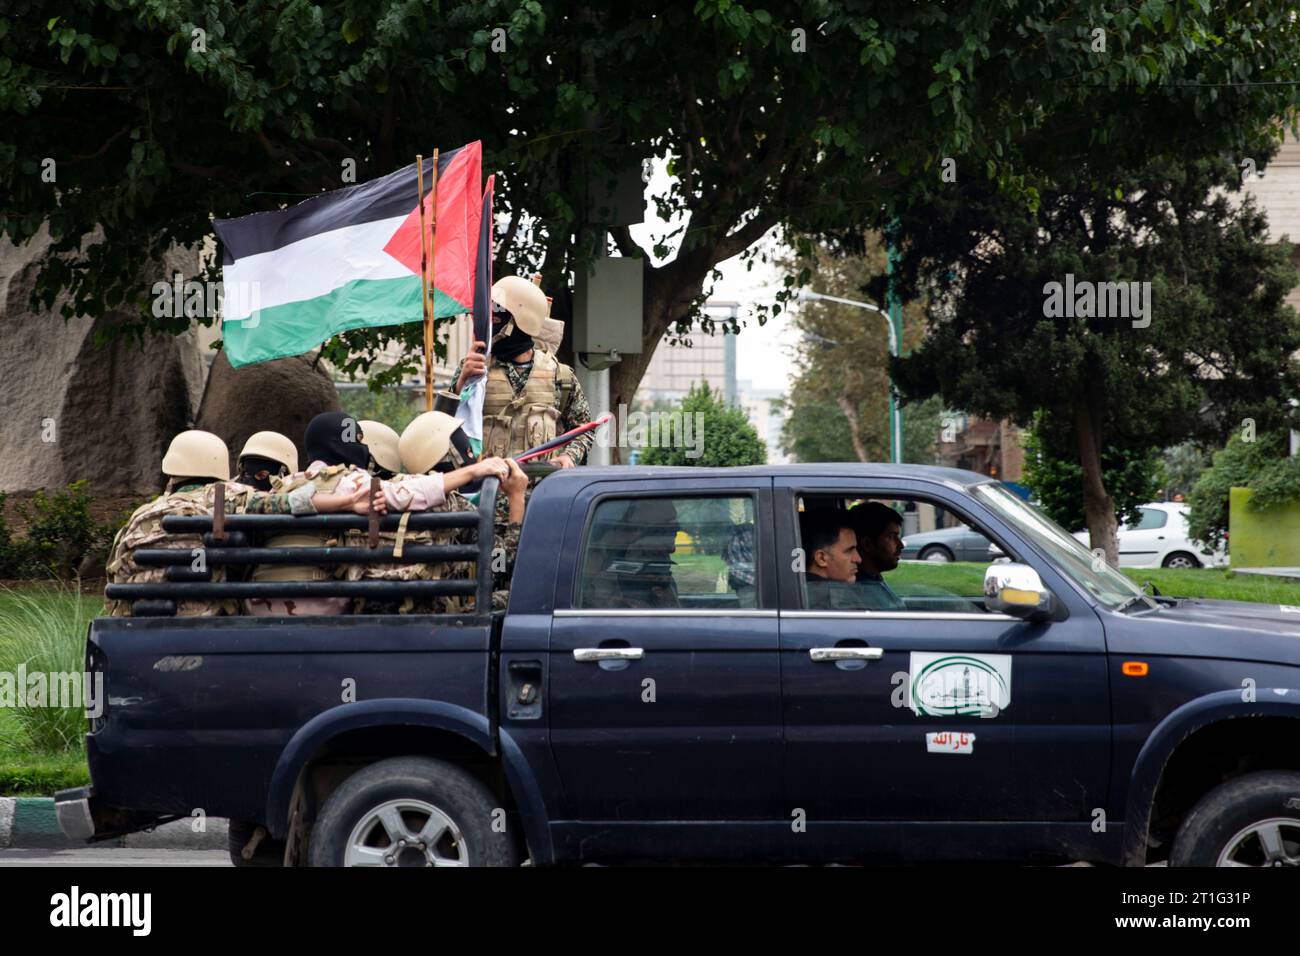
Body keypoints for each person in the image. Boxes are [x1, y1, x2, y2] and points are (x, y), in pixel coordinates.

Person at [245, 411, 511, 616]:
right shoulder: (354, 483)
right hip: (322, 606)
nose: (363, 448)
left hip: (258, 605)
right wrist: (474, 471)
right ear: (339, 444)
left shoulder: (285, 486)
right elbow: (411, 492)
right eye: (357, 440)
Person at [450, 274, 593, 467]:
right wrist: (460, 385)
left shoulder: (561, 376)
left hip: (543, 493)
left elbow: (583, 429)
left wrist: (569, 457)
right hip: (488, 493)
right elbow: (443, 426)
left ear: (522, 319)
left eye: (498, 308)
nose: (491, 315)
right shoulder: (474, 369)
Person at [580, 498, 681, 608]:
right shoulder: (594, 566)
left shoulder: (659, 569)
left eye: (674, 530)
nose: (672, 548)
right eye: (664, 531)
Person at [848, 501, 908, 611]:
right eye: (891, 537)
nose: (900, 545)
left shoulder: (873, 581)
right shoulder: (861, 594)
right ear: (867, 544)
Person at [800, 513, 867, 610]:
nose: (858, 559)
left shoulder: (801, 593)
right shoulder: (835, 601)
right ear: (822, 558)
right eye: (849, 551)